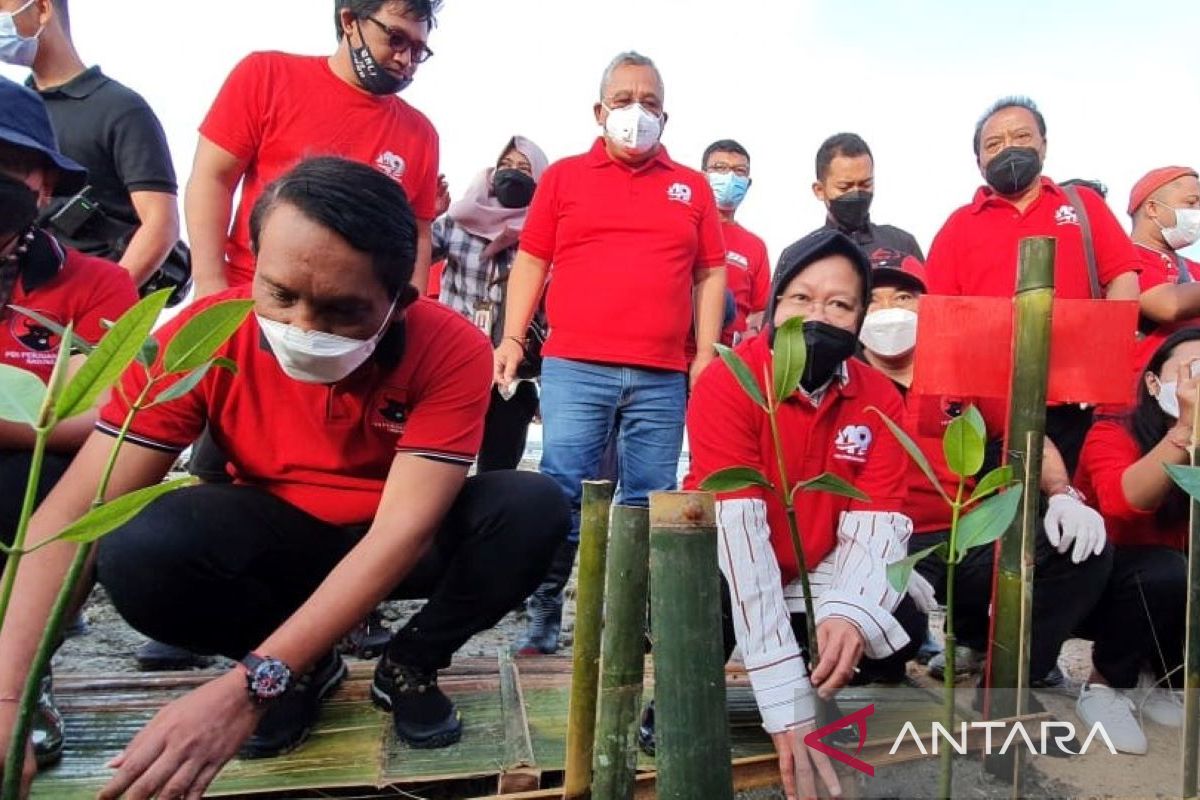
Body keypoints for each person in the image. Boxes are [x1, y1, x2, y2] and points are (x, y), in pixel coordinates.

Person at [0, 157, 568, 798]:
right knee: (139, 545)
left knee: (532, 505)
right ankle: (301, 668)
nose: (303, 327)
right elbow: (79, 513)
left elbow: (399, 535)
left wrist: (246, 691)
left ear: (398, 302)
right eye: (280, 295)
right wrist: (7, 697)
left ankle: (409, 664)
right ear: (256, 264)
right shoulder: (202, 338)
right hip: (276, 537)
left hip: (390, 537)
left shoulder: (450, 348)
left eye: (341, 310)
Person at [683, 228, 930, 798]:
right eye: (801, 298)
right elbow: (740, 535)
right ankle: (680, 694)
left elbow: (878, 524)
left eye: (840, 304)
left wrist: (847, 613)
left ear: (859, 318)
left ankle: (823, 688)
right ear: (774, 306)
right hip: (726, 563)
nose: (818, 314)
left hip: (815, 573)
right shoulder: (730, 380)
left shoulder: (879, 398)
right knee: (696, 601)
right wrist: (777, 691)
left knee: (902, 625)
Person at [494, 51, 727, 655]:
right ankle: (544, 614)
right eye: (624, 100)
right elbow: (533, 262)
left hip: (660, 374)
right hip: (575, 366)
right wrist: (514, 339)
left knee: (648, 497)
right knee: (562, 487)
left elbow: (709, 272)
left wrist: (704, 353)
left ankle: (634, 617)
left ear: (665, 116)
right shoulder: (565, 177)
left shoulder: (692, 187)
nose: (636, 112)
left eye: (649, 102)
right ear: (600, 111)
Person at [857, 254, 1112, 686]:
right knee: (881, 652)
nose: (889, 311)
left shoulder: (962, 370)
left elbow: (1026, 435)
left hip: (965, 529)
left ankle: (1010, 674)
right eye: (874, 300)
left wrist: (1063, 494)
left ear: (931, 306)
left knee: (1078, 551)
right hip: (879, 538)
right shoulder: (846, 378)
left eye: (904, 297)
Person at [0, 76, 138, 771]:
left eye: (6, 168)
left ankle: (20, 682)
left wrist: (14, 428)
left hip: (31, 483)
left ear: (44, 186)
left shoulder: (96, 286)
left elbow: (109, 418)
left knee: (47, 478)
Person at [925, 96, 1143, 474]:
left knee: (1081, 513)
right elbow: (941, 321)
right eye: (993, 144)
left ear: (1043, 144)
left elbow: (1123, 277)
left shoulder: (1083, 205)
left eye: (1020, 135)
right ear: (978, 162)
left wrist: (1102, 364)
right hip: (995, 411)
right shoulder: (958, 226)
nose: (1008, 147)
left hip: (1079, 403)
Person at [186, 0, 442, 298]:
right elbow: (213, 177)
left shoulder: (421, 134)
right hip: (251, 295)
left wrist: (406, 317)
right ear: (349, 21)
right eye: (395, 38)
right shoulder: (267, 75)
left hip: (355, 323)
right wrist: (209, 284)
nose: (404, 58)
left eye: (417, 50)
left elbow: (418, 235)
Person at [1073, 328, 1196, 754]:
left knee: (1181, 571)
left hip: (1170, 585)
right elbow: (1124, 504)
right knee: (1165, 570)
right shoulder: (1112, 433)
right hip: (1101, 587)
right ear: (1154, 383)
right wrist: (1184, 429)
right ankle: (1105, 686)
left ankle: (1163, 678)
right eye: (1192, 371)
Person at [1, 0, 180, 292]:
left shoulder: (120, 108)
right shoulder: (15, 114)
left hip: (95, 311)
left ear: (43, 9)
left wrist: (103, 302)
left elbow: (161, 224)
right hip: (22, 307)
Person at [435, 135, 549, 471]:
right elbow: (412, 256)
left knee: (498, 470)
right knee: (443, 463)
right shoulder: (457, 221)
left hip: (513, 375)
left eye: (525, 168)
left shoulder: (545, 232)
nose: (512, 174)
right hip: (453, 364)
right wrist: (425, 218)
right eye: (506, 165)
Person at [809, 132, 924, 267]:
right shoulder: (804, 255)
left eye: (865, 184)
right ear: (819, 190)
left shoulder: (901, 245)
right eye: (845, 187)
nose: (856, 193)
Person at [701, 138, 770, 341]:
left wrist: (751, 335)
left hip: (731, 357)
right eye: (719, 168)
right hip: (681, 354)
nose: (730, 176)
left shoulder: (756, 246)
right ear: (703, 176)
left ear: (747, 183)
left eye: (739, 171)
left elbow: (760, 309)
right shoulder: (686, 229)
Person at [1127, 166, 1200, 357]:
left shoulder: (1194, 268)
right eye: (1191, 203)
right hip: (1152, 380)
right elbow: (1167, 305)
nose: (1197, 211)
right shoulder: (1125, 260)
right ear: (1152, 208)